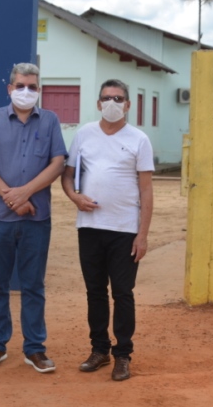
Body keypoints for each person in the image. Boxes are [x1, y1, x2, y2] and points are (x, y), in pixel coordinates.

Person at [0, 62, 67, 374]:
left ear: (39, 90)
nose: (26, 91)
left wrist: (24, 193)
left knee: (33, 285)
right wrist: (11, 198)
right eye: (21, 85)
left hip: (36, 219)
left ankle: (34, 349)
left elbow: (57, 163)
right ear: (9, 88)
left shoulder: (50, 120)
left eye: (33, 86)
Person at [60, 79, 154, 382]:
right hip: (89, 228)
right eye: (106, 97)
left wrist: (143, 234)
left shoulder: (139, 139)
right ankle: (99, 350)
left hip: (125, 230)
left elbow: (147, 190)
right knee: (95, 292)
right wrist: (75, 197)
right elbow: (68, 175)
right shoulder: (84, 134)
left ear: (128, 105)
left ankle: (122, 355)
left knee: (123, 293)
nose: (112, 102)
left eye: (118, 98)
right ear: (98, 103)